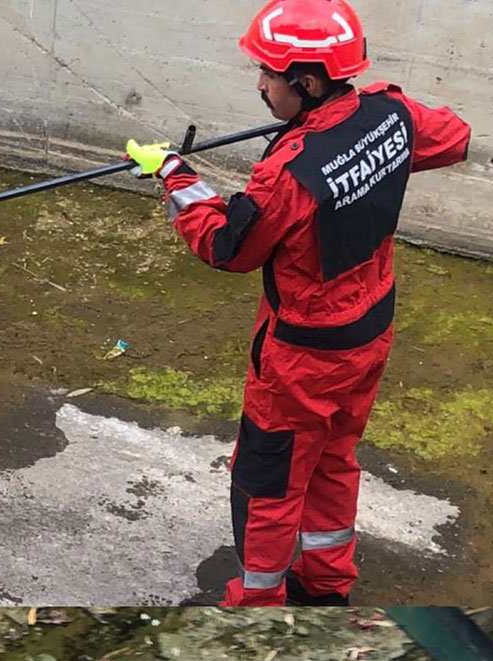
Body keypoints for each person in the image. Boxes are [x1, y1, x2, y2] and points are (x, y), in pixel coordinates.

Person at [122, 0, 470, 606]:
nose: (260, 85)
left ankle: (258, 601)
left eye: (268, 75)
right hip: (369, 331)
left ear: (306, 83)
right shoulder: (392, 111)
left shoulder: (288, 173)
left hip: (302, 356)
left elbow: (229, 246)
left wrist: (176, 176)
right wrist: (358, 137)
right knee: (334, 456)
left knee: (267, 483)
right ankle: (328, 582)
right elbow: (454, 137)